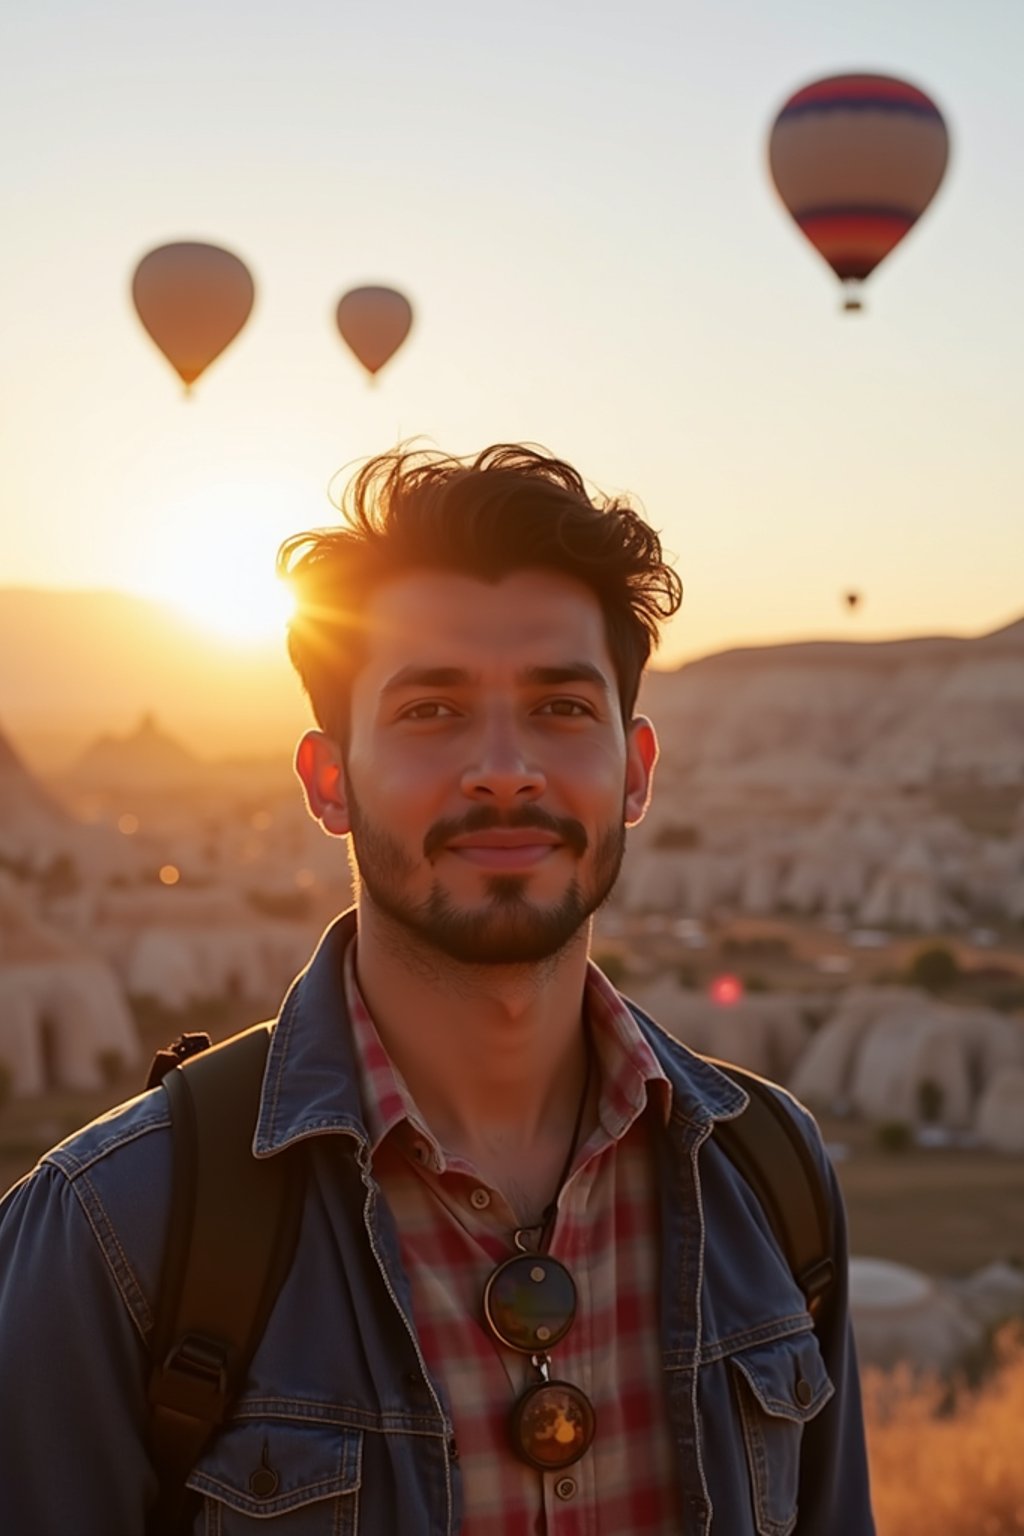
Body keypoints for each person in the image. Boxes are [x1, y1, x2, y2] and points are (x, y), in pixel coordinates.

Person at [0, 443, 875, 1534]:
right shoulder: (116, 1232)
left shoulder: (769, 1180)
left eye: (560, 709)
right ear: (330, 781)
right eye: (430, 711)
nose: (503, 768)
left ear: (636, 770)